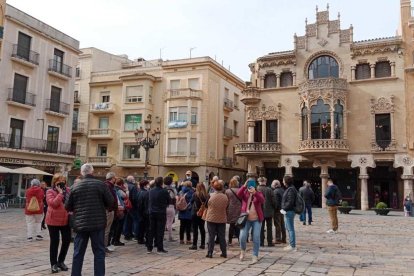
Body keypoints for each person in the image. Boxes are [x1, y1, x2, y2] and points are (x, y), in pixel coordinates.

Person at [65, 164, 114, 276]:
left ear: (82, 173)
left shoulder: (74, 187)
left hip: (80, 224)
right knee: (99, 252)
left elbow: (67, 206)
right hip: (97, 224)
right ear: (93, 172)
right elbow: (111, 202)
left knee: (78, 252)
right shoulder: (101, 185)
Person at [46, 173, 71, 273]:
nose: (62, 182)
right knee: (54, 242)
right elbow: (53, 204)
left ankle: (61, 261)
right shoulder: (50, 191)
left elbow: (71, 203)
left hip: (65, 220)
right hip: (53, 221)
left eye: (63, 180)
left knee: (67, 240)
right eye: (59, 180)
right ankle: (53, 264)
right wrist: (60, 193)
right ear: (54, 182)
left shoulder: (68, 191)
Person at [238, 178, 265, 264]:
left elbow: (262, 200)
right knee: (242, 236)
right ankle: (242, 250)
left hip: (256, 219)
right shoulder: (245, 193)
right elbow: (238, 195)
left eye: (252, 184)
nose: (251, 186)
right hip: (246, 219)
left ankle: (255, 255)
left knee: (256, 237)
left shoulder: (259, 193)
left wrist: (255, 193)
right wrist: (244, 186)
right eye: (249, 184)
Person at [204, 180, 228, 258]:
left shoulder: (210, 195)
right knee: (222, 236)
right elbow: (227, 206)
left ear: (214, 188)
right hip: (221, 218)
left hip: (211, 218)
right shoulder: (225, 196)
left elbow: (206, 205)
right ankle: (224, 252)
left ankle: (210, 252)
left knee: (211, 236)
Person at [147, 176, 170, 254]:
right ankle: (159, 248)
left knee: (151, 230)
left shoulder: (150, 191)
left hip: (152, 212)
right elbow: (169, 201)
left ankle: (149, 247)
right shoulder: (164, 191)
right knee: (160, 230)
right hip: (161, 212)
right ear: (161, 183)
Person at [257, 177, 275, 247]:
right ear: (265, 181)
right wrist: (274, 207)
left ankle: (261, 242)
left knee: (261, 227)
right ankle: (269, 242)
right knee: (269, 227)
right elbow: (274, 201)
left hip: (259, 211)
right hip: (269, 211)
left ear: (259, 182)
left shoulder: (256, 189)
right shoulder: (269, 190)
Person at [281, 175, 298, 251]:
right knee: (288, 228)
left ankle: (292, 245)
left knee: (290, 229)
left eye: (283, 180)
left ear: (286, 181)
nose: (282, 182)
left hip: (289, 211)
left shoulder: (291, 189)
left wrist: (284, 208)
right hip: (288, 211)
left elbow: (290, 202)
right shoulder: (290, 188)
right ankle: (291, 244)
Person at [190, 182, 208, 250]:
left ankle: (194, 245)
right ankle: (202, 244)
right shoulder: (206, 195)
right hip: (203, 213)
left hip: (195, 213)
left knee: (195, 229)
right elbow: (207, 205)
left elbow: (191, 202)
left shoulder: (195, 194)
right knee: (202, 228)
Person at [110, 178, 128, 246]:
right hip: (120, 209)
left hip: (116, 209)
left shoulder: (114, 188)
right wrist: (126, 190)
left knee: (115, 226)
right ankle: (116, 240)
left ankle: (114, 240)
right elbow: (126, 196)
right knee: (119, 226)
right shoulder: (119, 190)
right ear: (121, 183)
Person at [103, 172, 118, 253]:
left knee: (106, 230)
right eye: (115, 178)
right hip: (108, 210)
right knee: (106, 230)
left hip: (108, 209)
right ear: (112, 179)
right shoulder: (108, 186)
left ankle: (104, 247)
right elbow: (110, 199)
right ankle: (103, 248)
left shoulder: (106, 185)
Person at [225, 178, 241, 246]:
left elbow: (226, 201)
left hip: (230, 209)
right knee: (238, 225)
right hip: (239, 209)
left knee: (231, 226)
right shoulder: (240, 190)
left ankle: (230, 241)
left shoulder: (227, 191)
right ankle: (240, 240)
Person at [123, 175, 138, 241]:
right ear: (132, 180)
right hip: (132, 206)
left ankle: (127, 235)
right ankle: (135, 235)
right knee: (135, 220)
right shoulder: (133, 187)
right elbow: (135, 198)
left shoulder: (125, 186)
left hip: (126, 206)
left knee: (127, 220)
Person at [272, 180, 286, 244]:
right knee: (282, 224)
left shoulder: (275, 191)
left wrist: (274, 209)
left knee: (277, 224)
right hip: (282, 209)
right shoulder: (282, 190)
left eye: (272, 183)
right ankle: (283, 238)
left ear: (275, 185)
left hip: (277, 210)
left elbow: (276, 203)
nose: (271, 184)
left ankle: (278, 239)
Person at [136, 180, 150, 245]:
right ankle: (146, 239)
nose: (148, 186)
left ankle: (140, 239)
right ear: (145, 185)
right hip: (145, 212)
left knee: (140, 226)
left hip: (139, 212)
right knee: (146, 227)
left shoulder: (138, 192)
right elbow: (146, 204)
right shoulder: (146, 193)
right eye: (148, 184)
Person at [164, 176, 177, 242]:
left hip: (163, 207)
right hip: (171, 206)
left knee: (163, 222)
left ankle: (162, 236)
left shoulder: (163, 188)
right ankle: (170, 237)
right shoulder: (173, 189)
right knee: (169, 222)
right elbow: (175, 197)